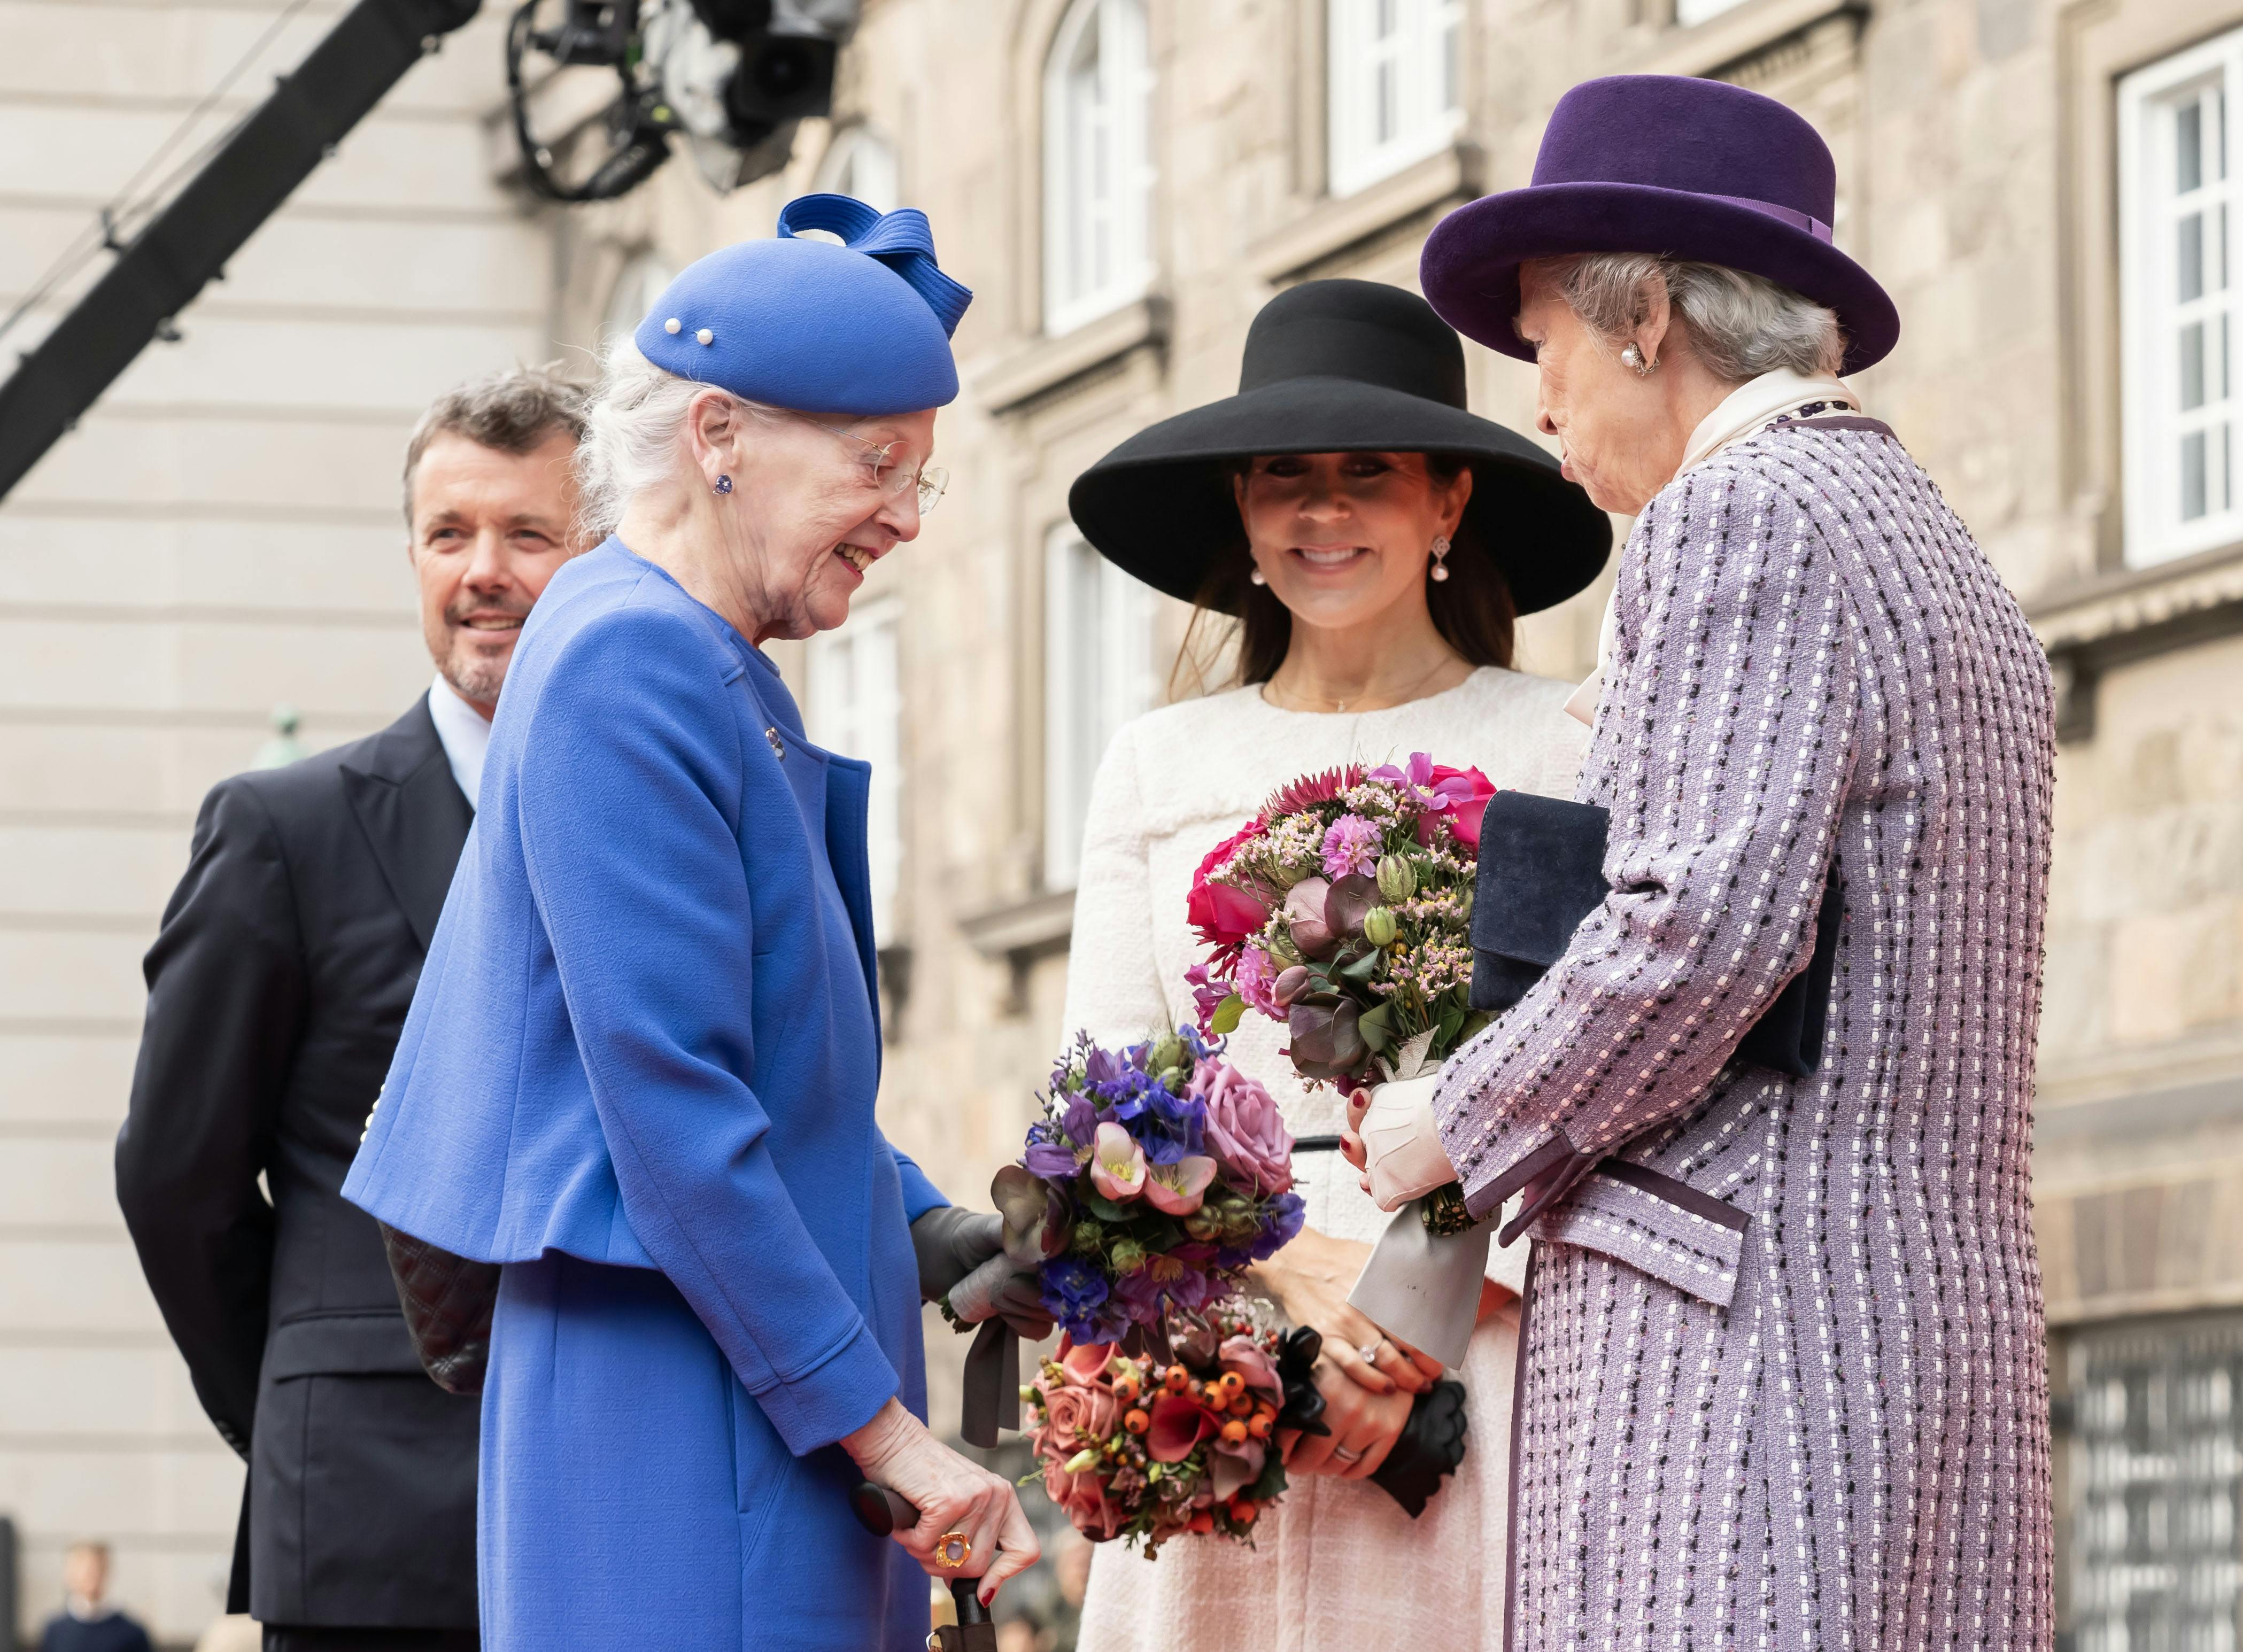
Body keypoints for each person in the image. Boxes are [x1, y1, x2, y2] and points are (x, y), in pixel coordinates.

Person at [1347, 74, 2058, 1649]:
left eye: (1539, 342)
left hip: (1735, 1378)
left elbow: (1697, 933)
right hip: (1932, 1361)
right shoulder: (1946, 558)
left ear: (1645, 316)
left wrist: (1447, 1122)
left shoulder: (1732, 518)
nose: (1535, 402)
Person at [342, 195, 1043, 1652]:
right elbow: (670, 1107)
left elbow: (760, 1064)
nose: (907, 515)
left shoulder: (666, 649)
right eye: (876, 464)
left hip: (729, 1386)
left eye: (921, 473)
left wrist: (927, 1220)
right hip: (696, 1403)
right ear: (717, 435)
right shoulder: (631, 661)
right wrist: (888, 1439)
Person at [1058, 278, 1611, 1651]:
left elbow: (1603, 1072)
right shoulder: (1154, 762)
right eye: (1284, 479)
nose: (1323, 512)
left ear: (1447, 506)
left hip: (1480, 1351)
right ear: (1242, 517)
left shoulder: (1569, 740)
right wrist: (1274, 1288)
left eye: (1369, 474)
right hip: (1223, 1350)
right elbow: (1100, 1102)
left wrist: (1411, 1317)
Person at [116, 367, 590, 1652]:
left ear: (601, 556)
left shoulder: (664, 821)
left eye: (527, 533)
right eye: (450, 534)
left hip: (620, 1503)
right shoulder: (283, 830)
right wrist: (292, 1395)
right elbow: (177, 1178)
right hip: (371, 1523)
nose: (482, 570)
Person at [37, 1544, 153, 1652]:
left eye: (96, 1569)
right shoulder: (56, 1630)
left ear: (106, 1571)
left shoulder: (131, 1633)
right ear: (70, 1574)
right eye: (84, 1570)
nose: (91, 1576)